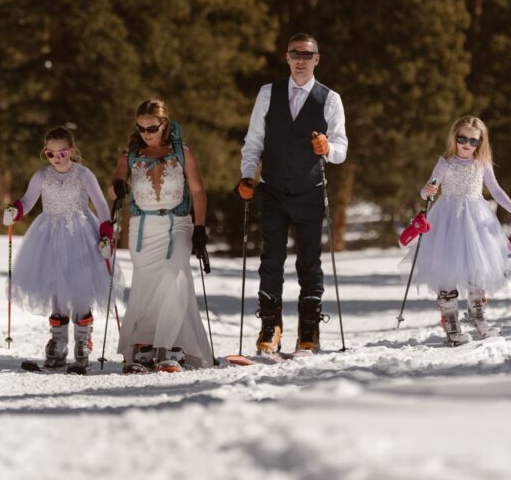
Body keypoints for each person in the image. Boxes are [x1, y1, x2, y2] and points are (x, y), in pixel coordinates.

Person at [237, 33, 348, 355]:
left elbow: (341, 148)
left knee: (310, 263)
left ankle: (309, 328)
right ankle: (270, 326)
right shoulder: (267, 93)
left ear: (317, 59)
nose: (301, 59)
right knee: (271, 259)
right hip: (271, 188)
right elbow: (254, 140)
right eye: (295, 53)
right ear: (286, 58)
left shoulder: (330, 98)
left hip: (310, 191)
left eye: (307, 54)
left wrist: (328, 148)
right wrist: (247, 175)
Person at [2, 126, 121, 369]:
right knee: (55, 284)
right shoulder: (41, 177)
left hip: (80, 233)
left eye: (62, 154)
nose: (56, 158)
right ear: (45, 153)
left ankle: (82, 341)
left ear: (72, 151)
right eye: (51, 154)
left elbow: (101, 207)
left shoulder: (83, 175)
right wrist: (15, 210)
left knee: (79, 285)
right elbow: (27, 199)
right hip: (48, 234)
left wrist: (106, 236)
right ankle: (58, 343)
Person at [109, 98, 213, 373]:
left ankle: (172, 346)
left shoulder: (182, 153)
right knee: (145, 282)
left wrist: (200, 227)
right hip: (143, 229)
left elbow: (199, 191)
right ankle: (144, 345)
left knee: (173, 273)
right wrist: (118, 187)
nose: (146, 133)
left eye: (151, 128)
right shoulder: (131, 155)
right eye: (141, 128)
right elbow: (115, 184)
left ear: (164, 124)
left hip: (176, 222)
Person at [401, 115, 511, 345]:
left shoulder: (482, 164)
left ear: (481, 143)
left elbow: (496, 191)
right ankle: (451, 324)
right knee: (447, 268)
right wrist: (427, 190)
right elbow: (428, 190)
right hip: (447, 218)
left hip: (476, 220)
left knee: (478, 266)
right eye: (462, 139)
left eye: (473, 141)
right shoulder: (445, 162)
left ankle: (477, 315)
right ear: (454, 137)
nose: (467, 145)